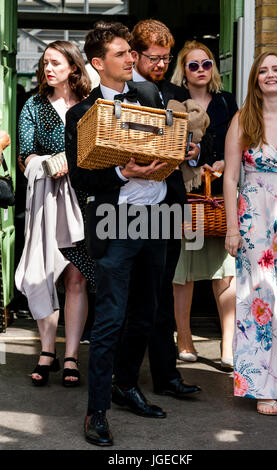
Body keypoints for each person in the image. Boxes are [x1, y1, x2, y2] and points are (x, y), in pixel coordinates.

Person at [66, 21, 192, 447]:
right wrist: (123, 171)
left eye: (130, 53)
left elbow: (167, 143)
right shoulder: (81, 114)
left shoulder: (153, 96)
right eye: (122, 53)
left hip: (156, 216)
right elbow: (82, 180)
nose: (131, 58)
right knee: (110, 320)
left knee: (146, 312)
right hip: (115, 220)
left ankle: (125, 385)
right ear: (99, 64)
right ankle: (96, 411)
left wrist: (183, 149)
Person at [115, 19, 201, 398]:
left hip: (168, 204)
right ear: (135, 55)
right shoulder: (122, 91)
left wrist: (196, 153)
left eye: (167, 58)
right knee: (130, 296)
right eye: (154, 57)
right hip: (127, 208)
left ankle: (166, 377)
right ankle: (123, 380)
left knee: (162, 293)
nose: (161, 64)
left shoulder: (178, 92)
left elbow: (204, 143)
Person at [223, 52, 277, 415]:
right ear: (255, 79)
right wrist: (232, 229)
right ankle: (260, 385)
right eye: (263, 71)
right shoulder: (243, 119)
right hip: (255, 218)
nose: (271, 75)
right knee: (258, 299)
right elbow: (231, 178)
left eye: (276, 70)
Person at [18, 40, 94, 388]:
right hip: (46, 200)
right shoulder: (33, 105)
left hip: (83, 200)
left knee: (76, 277)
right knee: (44, 273)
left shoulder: (92, 106)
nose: (49, 69)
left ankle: (72, 354)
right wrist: (47, 164)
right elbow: (24, 156)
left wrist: (76, 165)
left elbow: (103, 151)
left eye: (56, 64)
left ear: (73, 68)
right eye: (45, 63)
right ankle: (47, 349)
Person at [171, 41, 237, 368]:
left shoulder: (226, 103)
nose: (200, 70)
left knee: (225, 272)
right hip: (188, 194)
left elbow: (241, 141)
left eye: (206, 64)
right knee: (184, 271)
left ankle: (228, 345)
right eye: (193, 65)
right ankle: (184, 338)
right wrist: (192, 154)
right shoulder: (173, 103)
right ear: (183, 70)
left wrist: (224, 163)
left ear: (214, 68)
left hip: (220, 196)